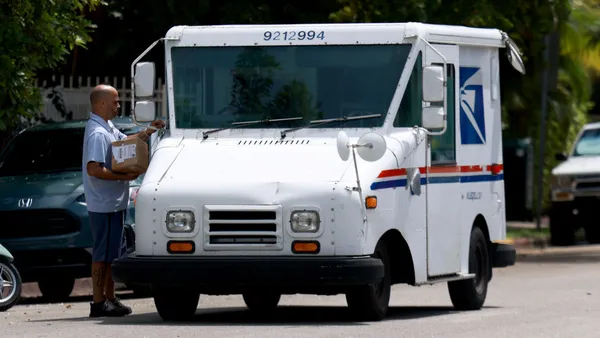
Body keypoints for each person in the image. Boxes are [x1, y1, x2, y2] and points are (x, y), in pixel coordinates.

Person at [82, 84, 165, 317]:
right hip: (103, 204)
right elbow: (94, 169)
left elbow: (125, 142)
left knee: (111, 256)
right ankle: (99, 303)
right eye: (115, 102)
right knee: (102, 255)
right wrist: (124, 176)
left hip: (113, 202)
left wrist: (148, 131)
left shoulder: (106, 126)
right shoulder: (97, 133)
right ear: (101, 104)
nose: (118, 105)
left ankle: (110, 299)